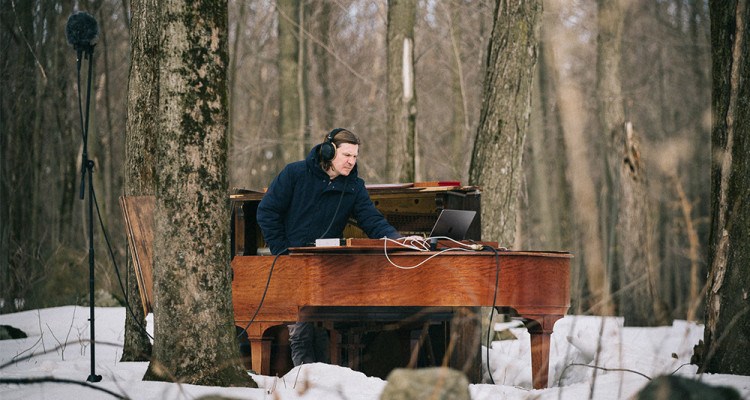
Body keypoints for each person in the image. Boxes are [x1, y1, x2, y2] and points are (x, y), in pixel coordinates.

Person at [256, 128, 404, 366]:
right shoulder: (295, 173)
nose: (351, 161)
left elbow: (372, 221)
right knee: (301, 334)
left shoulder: (354, 186)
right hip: (292, 264)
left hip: (328, 269)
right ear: (329, 151)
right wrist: (282, 252)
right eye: (346, 155)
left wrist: (399, 241)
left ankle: (327, 380)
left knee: (324, 330)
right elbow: (267, 212)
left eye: (355, 156)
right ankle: (302, 384)